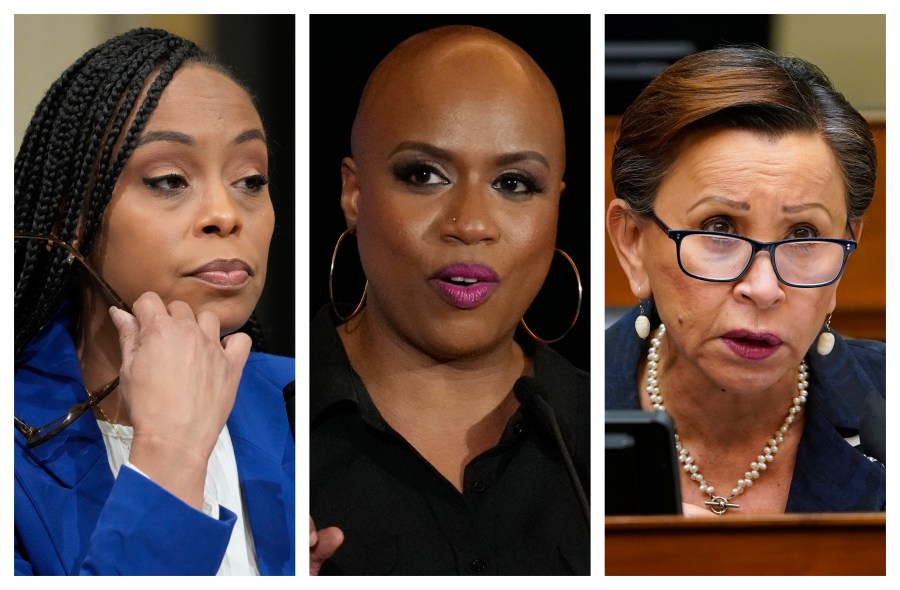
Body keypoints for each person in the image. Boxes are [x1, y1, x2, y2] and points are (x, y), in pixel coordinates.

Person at [309, 24, 590, 574]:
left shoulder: (606, 436)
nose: (471, 224)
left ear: (556, 207)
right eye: (424, 175)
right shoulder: (261, 426)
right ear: (353, 191)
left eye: (513, 184)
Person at [14, 27, 295, 574]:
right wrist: (171, 454)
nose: (227, 213)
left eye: (250, 179)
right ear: (69, 218)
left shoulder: (305, 409)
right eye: (169, 179)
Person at [606, 45, 885, 516]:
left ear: (847, 245)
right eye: (719, 229)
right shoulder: (553, 413)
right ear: (632, 242)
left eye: (803, 235)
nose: (763, 288)